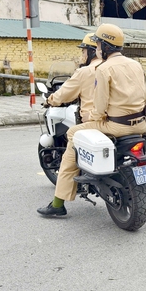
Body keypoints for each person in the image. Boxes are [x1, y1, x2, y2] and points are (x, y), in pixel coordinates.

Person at [37, 24, 146, 217]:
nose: (97, 48)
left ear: (104, 46)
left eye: (98, 44)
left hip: (115, 125)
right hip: (141, 123)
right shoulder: (135, 65)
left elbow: (99, 104)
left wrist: (95, 118)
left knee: (74, 133)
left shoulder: (102, 69)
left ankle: (58, 203)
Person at [38, 34, 102, 216]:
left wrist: (50, 100)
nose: (81, 55)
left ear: (92, 51)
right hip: (126, 120)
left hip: (95, 122)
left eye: (83, 51)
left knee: (69, 157)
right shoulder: (118, 67)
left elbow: (64, 94)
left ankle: (58, 204)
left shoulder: (85, 72)